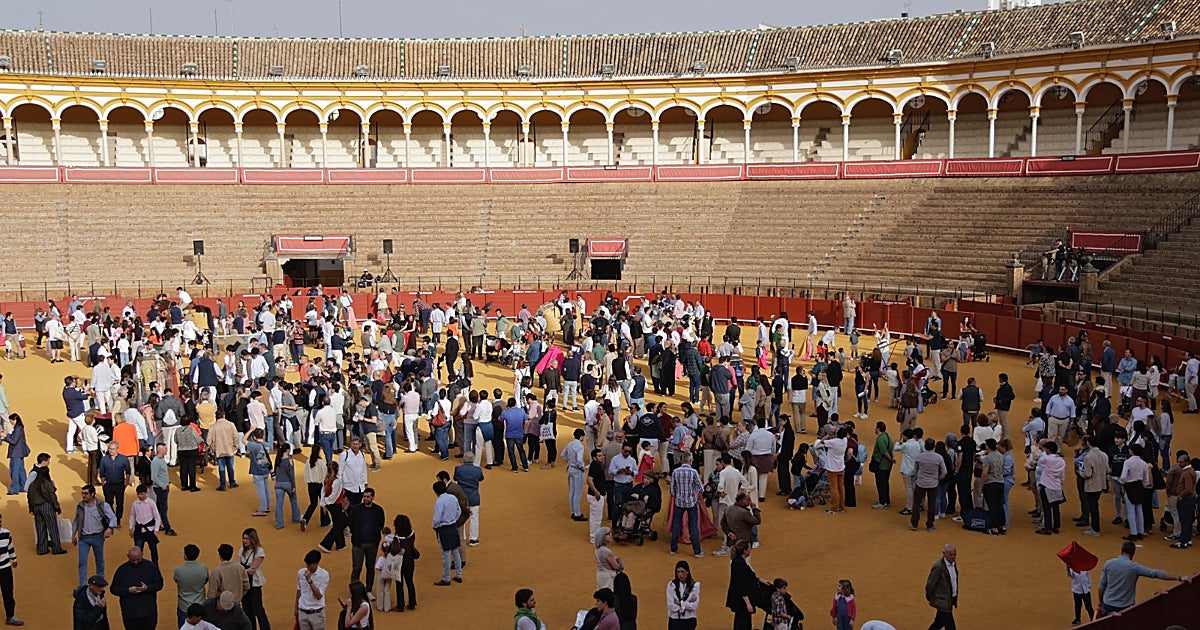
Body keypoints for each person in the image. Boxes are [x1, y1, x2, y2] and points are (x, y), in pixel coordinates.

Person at [1097, 541, 1185, 615]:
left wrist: (1100, 602)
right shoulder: (1134, 567)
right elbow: (1155, 573)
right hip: (1125, 606)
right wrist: (1179, 578)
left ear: (1121, 551)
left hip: (1108, 604)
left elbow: (1101, 587)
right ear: (1133, 554)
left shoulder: (1108, 564)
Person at [73, 484, 119, 587]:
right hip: (83, 537)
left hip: (97, 536)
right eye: (82, 493)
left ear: (92, 494)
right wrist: (73, 534)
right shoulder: (80, 506)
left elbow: (113, 518)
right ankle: (83, 585)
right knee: (82, 562)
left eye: (86, 493)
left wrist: (110, 528)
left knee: (99, 560)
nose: (83, 496)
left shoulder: (103, 505)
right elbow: (76, 521)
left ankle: (100, 580)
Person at [109, 546, 163, 630]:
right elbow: (113, 589)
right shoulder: (122, 570)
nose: (136, 562)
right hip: (130, 613)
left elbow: (159, 584)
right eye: (132, 560)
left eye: (138, 559)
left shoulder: (151, 567)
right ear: (128, 556)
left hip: (148, 612)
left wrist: (147, 588)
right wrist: (128, 590)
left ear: (142, 554)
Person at [668, 451, 705, 558]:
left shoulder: (675, 471)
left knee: (676, 524)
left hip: (679, 502)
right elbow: (701, 488)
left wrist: (677, 495)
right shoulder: (694, 472)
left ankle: (673, 549)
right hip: (691, 502)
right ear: (690, 460)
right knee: (693, 526)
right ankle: (697, 551)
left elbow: (672, 489)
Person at [348, 488, 385, 589]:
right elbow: (351, 523)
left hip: (372, 544)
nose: (366, 499)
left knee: (370, 567)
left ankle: (369, 589)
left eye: (368, 497)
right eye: (364, 497)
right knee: (356, 568)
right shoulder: (356, 510)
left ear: (373, 497)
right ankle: (354, 590)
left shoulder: (378, 510)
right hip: (358, 544)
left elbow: (381, 524)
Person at [431, 481, 463, 586]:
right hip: (453, 526)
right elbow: (459, 511)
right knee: (455, 552)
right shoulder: (453, 498)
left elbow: (437, 518)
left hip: (444, 528)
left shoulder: (439, 502)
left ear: (436, 491)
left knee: (445, 554)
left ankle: (446, 578)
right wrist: (453, 519)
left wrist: (435, 526)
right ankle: (459, 575)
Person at [910, 438, 946, 532]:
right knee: (931, 504)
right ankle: (930, 524)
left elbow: (915, 469)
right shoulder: (938, 457)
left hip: (920, 483)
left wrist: (917, 477)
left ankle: (914, 524)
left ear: (925, 446)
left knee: (916, 503)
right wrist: (938, 478)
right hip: (933, 484)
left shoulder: (919, 456)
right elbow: (944, 472)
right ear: (933, 446)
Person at [238, 528, 270, 630]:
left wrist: (240, 570)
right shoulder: (241, 551)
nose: (245, 541)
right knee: (247, 610)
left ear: (253, 539)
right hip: (244, 585)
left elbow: (252, 569)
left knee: (258, 610)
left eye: (247, 538)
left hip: (255, 584)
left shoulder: (259, 551)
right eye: (244, 538)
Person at [725, 540, 760, 630]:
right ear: (744, 550)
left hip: (740, 601)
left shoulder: (739, 562)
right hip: (741, 602)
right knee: (743, 624)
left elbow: (746, 577)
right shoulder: (739, 564)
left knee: (743, 622)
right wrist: (748, 603)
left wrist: (760, 580)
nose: (750, 550)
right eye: (749, 548)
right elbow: (741, 585)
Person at [173, 544, 209, 629]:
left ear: (185, 556)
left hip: (184, 605)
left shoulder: (178, 570)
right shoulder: (204, 568)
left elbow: (176, 580)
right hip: (200, 604)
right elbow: (205, 580)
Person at [925, 544, 958, 630]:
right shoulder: (938, 567)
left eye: (954, 554)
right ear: (944, 553)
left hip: (949, 600)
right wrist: (931, 598)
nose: (953, 557)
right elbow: (930, 585)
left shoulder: (953, 564)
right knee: (950, 627)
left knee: (939, 623)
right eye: (951, 555)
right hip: (942, 602)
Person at [127, 484, 162, 565]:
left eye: (142, 494)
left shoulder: (151, 503)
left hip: (150, 530)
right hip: (139, 530)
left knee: (153, 550)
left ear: (146, 493)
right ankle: (138, 565)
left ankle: (155, 565)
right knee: (138, 549)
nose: (140, 496)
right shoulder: (135, 504)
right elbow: (132, 515)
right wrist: (131, 527)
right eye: (138, 494)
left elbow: (157, 517)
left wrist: (156, 530)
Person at [295, 550, 329, 630]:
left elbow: (318, 596)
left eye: (310, 564)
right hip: (302, 612)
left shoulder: (324, 575)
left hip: (316, 614)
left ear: (317, 563)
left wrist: (309, 580)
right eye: (307, 564)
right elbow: (299, 590)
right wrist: (296, 609)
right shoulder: (301, 573)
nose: (308, 567)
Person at [273, 448, 302, 530]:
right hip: (288, 483)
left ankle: (279, 523)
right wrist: (293, 486)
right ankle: (296, 517)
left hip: (278, 483)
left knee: (279, 504)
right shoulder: (289, 460)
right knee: (293, 499)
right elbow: (291, 475)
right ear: (288, 450)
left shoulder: (278, 460)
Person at [666, 560, 699, 630]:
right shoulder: (671, 585)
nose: (680, 574)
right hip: (675, 619)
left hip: (689, 619)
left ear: (687, 572)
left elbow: (694, 606)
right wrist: (687, 605)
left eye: (682, 571)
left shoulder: (695, 586)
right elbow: (671, 606)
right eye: (678, 572)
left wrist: (680, 603)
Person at [563, 429, 588, 521]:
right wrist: (581, 466)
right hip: (577, 470)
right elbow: (580, 459)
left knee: (572, 492)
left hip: (570, 468)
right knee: (577, 492)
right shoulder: (580, 446)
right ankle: (577, 513)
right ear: (581, 436)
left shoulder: (570, 444)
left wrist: (570, 461)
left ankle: (573, 512)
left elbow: (563, 454)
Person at [0, 513, 20, 626]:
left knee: (8, 593)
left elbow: (10, 547)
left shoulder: (6, 533)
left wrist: (14, 559)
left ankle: (10, 616)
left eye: (0, 521)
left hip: (5, 568)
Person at [870, 422, 894, 509]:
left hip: (881, 465)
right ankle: (885, 500)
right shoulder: (887, 436)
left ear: (878, 429)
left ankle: (882, 502)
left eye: (875, 427)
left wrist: (890, 459)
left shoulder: (880, 439)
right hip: (886, 465)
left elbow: (884, 452)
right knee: (885, 483)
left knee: (881, 483)